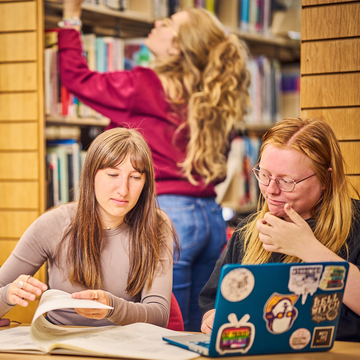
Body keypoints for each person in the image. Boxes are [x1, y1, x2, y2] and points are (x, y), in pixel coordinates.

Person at [57, 0, 251, 331]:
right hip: (209, 218)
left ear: (178, 47)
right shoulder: (215, 96)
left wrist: (71, 18)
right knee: (196, 330)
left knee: (162, 329)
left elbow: (78, 79)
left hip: (166, 215)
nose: (158, 23)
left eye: (168, 24)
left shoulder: (144, 85)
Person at [199, 117, 360, 342]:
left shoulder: (356, 224)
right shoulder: (248, 230)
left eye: (287, 181)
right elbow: (214, 300)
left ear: (327, 179)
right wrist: (213, 317)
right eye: (264, 175)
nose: (271, 190)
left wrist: (308, 249)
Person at [0, 127, 177, 327]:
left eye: (135, 178)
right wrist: (8, 294)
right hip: (59, 345)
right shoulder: (53, 224)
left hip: (124, 348)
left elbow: (159, 315)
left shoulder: (157, 225)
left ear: (146, 183)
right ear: (91, 175)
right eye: (112, 174)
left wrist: (111, 307)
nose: (123, 190)